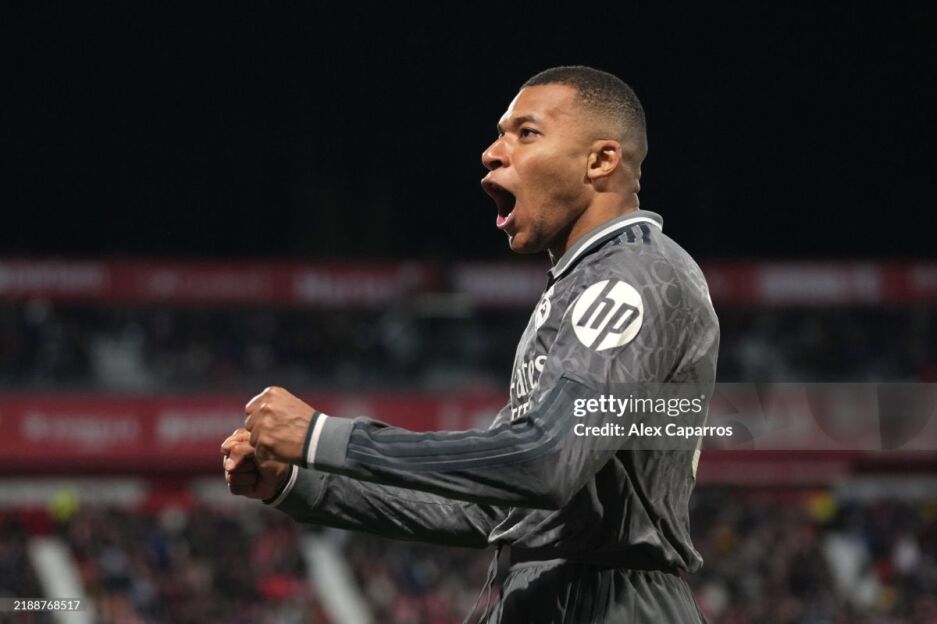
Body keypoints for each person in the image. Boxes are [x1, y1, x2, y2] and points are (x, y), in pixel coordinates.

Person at [222, 65, 719, 623]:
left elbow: (545, 460)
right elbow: (489, 507)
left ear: (600, 160)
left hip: (608, 602)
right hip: (559, 591)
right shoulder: (580, 286)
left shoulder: (634, 276)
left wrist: (323, 437)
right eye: (499, 134)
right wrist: (299, 482)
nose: (491, 152)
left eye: (525, 133)